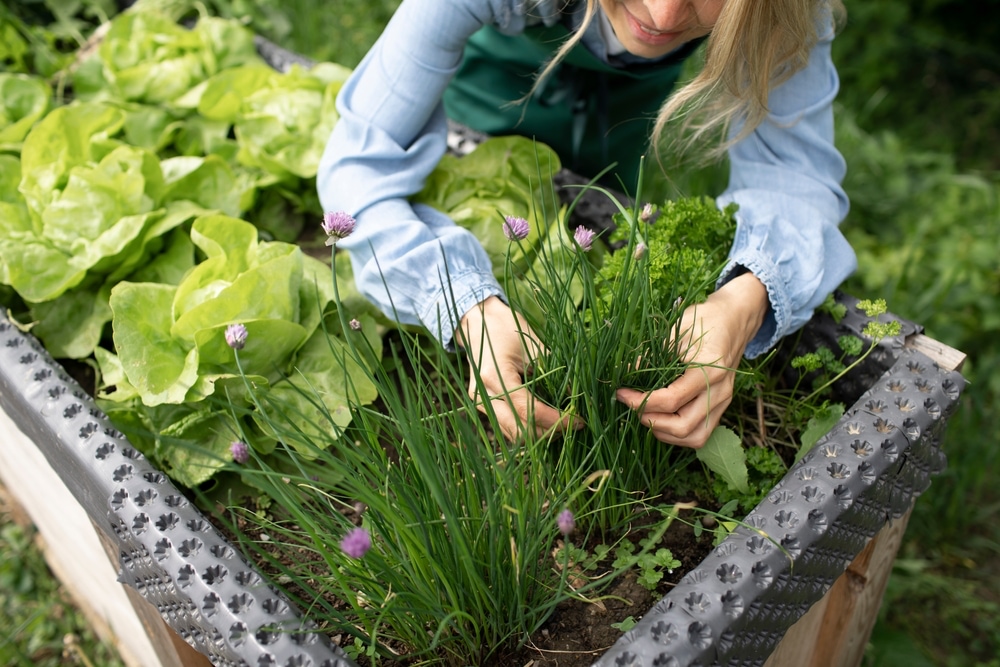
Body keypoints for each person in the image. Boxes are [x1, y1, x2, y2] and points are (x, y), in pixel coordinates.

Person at [316, 0, 857, 447]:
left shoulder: (785, 9)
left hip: (618, 123)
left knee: (600, 200)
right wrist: (465, 305)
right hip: (493, 97)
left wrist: (740, 304)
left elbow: (796, 178)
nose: (663, 15)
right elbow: (357, 165)